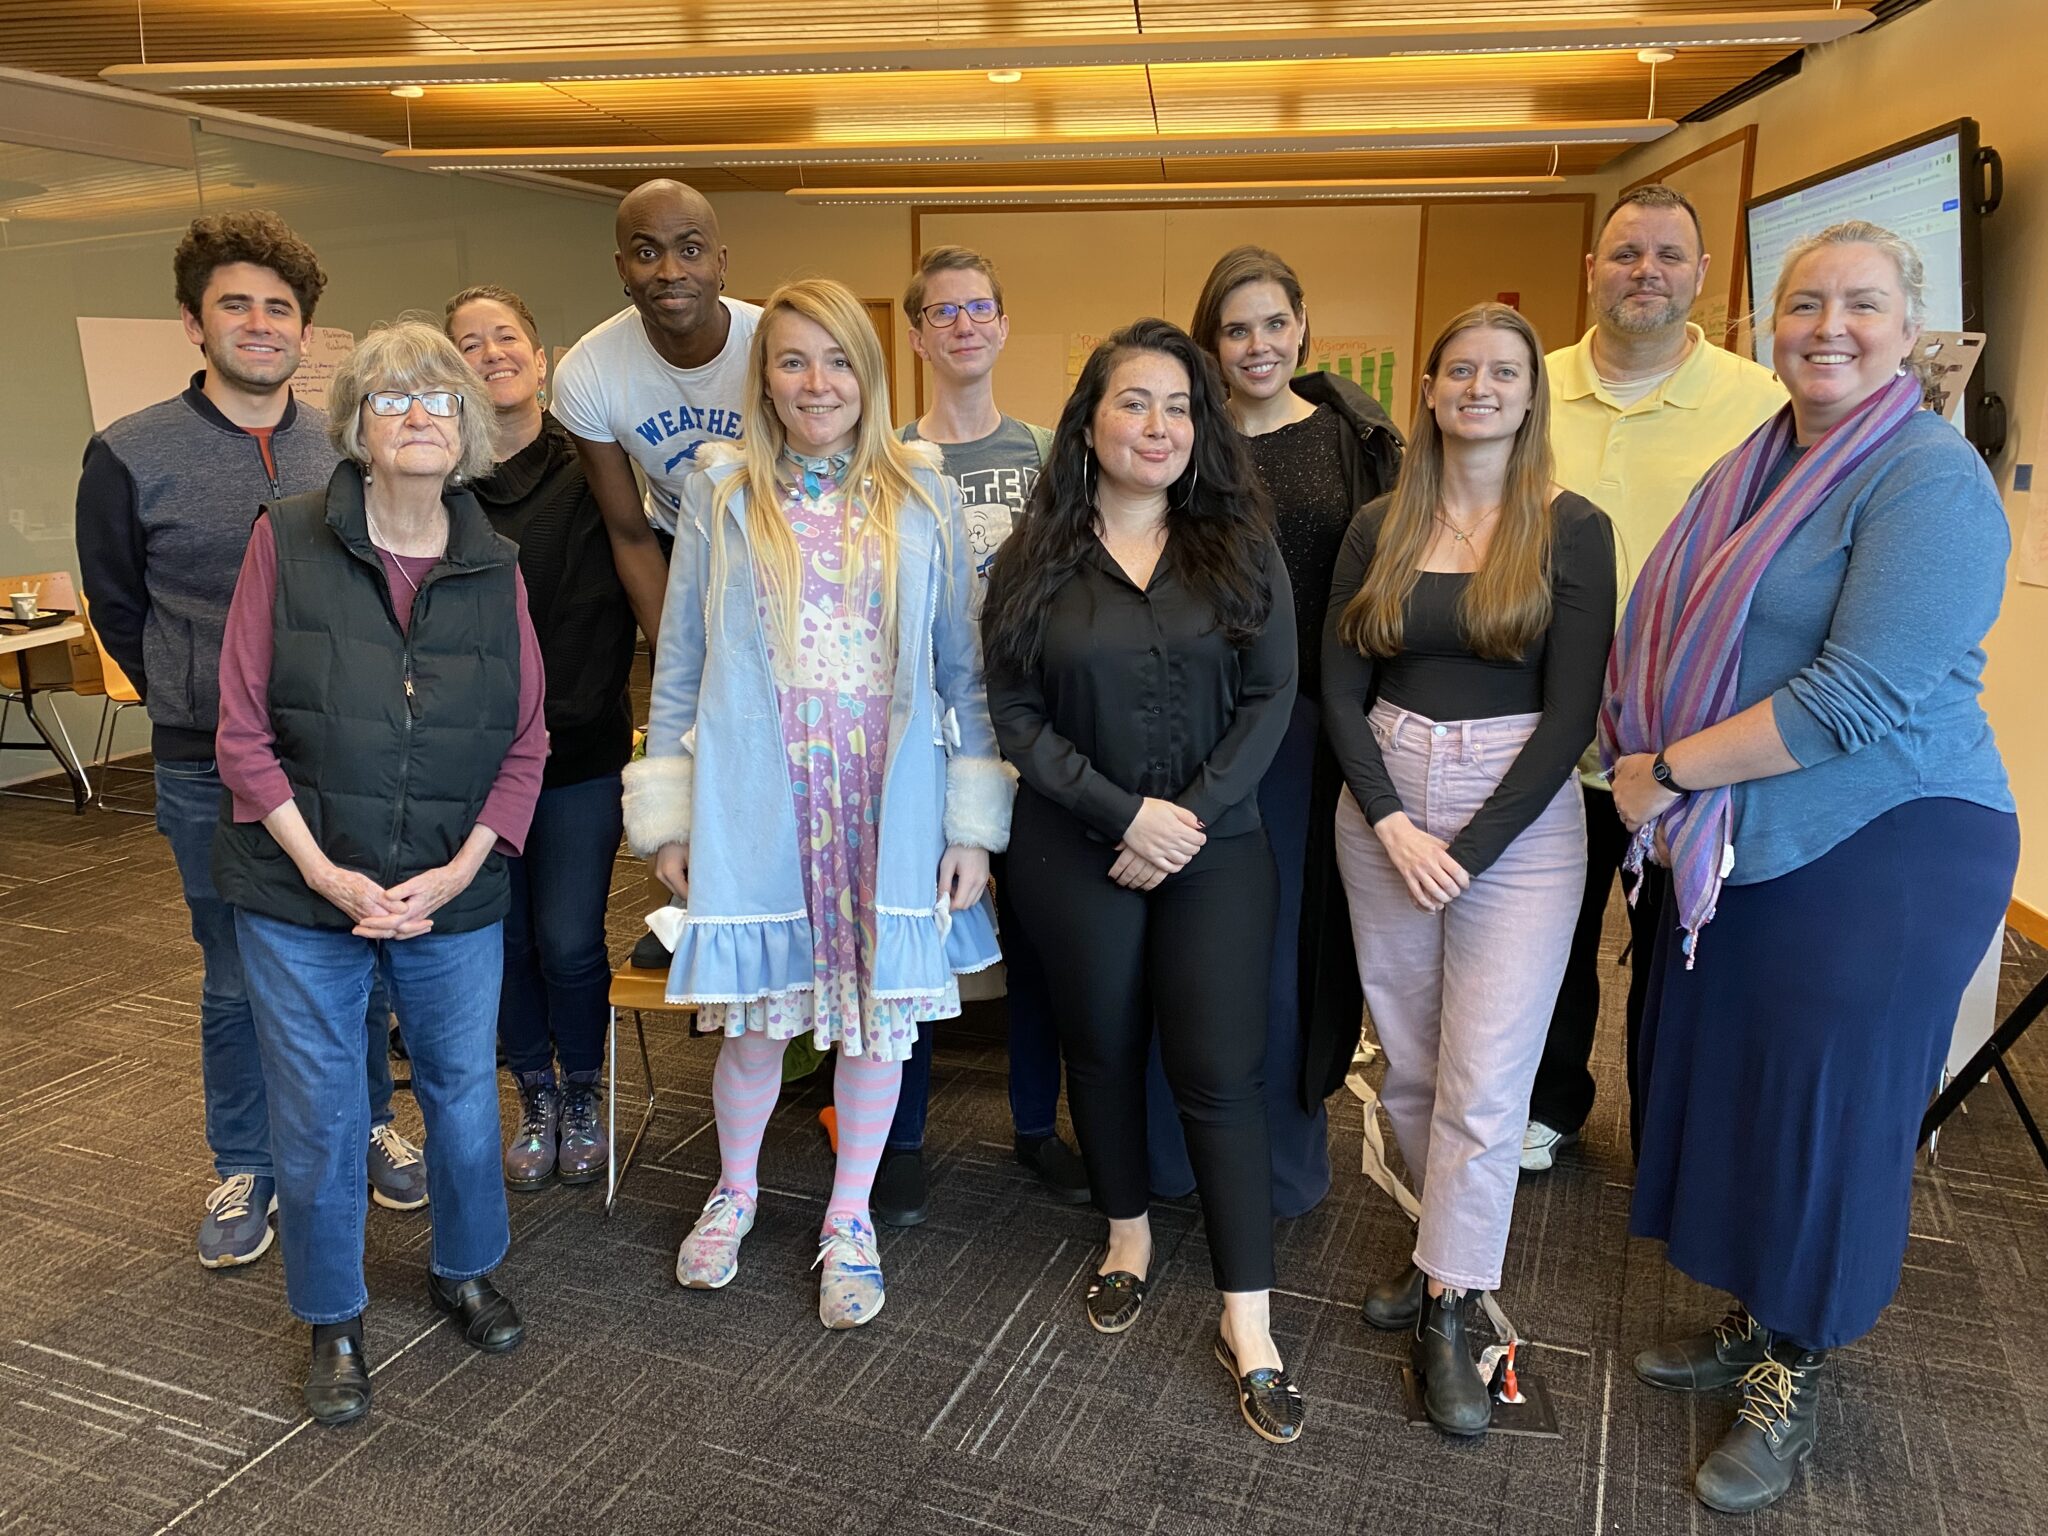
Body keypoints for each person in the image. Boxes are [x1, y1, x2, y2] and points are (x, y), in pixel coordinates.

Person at [1606, 221, 2016, 1515]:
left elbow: (1855, 697)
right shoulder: (1760, 462)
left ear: (1909, 328)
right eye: (1801, 305)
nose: (1827, 327)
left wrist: (1665, 770)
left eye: (1860, 305)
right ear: (1764, 325)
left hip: (1881, 841)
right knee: (1741, 1092)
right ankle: (1756, 1315)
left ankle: (1796, 1363)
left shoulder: (1925, 476)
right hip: (1749, 838)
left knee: (1828, 1116)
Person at [621, 278, 1009, 1330]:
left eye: (836, 360)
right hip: (761, 797)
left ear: (869, 375)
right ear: (765, 378)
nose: (815, 382)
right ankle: (734, 1191)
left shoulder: (920, 494)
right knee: (755, 1025)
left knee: (877, 1027)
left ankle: (849, 1217)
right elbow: (682, 659)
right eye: (791, 361)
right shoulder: (722, 491)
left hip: (889, 800)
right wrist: (668, 818)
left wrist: (973, 824)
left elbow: (960, 671)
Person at [74, 211, 425, 1274]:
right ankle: (247, 1161)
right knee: (232, 973)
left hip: (342, 756)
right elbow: (118, 603)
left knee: (355, 957)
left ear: (304, 332)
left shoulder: (347, 443)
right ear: (194, 322)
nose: (260, 324)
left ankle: (367, 1120)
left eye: (279, 308)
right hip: (203, 765)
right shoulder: (132, 453)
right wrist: (194, 697)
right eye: (236, 303)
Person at [213, 320, 548, 1425]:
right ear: (356, 427)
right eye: (392, 399)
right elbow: (243, 734)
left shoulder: (495, 562)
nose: (419, 416)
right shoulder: (290, 538)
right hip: (300, 893)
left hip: (452, 893)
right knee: (318, 1112)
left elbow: (526, 741)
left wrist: (457, 874)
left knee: (458, 1099)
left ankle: (463, 1266)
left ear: (467, 429)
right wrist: (323, 873)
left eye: (440, 399)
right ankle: (334, 1315)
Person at [984, 318, 1304, 1445]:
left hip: (1217, 848)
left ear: (1199, 426)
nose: (1156, 425)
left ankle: (1247, 1320)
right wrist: (1122, 814)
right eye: (1132, 402)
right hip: (1076, 847)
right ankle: (1126, 1235)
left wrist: (1184, 821)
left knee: (1220, 1074)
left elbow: (1273, 696)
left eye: (1177, 405)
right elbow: (1013, 712)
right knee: (1102, 1050)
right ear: (1089, 422)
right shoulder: (1036, 554)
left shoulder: (1236, 543)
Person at [1323, 303, 1615, 1437]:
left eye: (1503, 372)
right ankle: (1434, 1234)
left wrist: (1471, 848)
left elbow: (1571, 711)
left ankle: (1449, 1300)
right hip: (1384, 799)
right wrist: (1391, 821)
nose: (1480, 388)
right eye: (1460, 371)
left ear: (1528, 394)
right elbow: (1339, 689)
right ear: (1431, 389)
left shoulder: (1569, 527)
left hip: (1520, 817)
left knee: (1485, 1078)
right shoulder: (1378, 525)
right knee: (1406, 1063)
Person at [1523, 185, 1784, 1171]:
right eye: (1624, 252)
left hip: (1683, 742)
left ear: (1700, 276)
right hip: (1548, 726)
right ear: (1589, 268)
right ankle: (1546, 1106)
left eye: (1666, 255)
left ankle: (1665, 1135)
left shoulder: (1757, 404)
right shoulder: (1529, 388)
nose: (1645, 272)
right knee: (1545, 938)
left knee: (1678, 951)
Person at [1175, 244, 1402, 1218]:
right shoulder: (1187, 437)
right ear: (1209, 343)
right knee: (1205, 945)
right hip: (1200, 727)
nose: (1257, 344)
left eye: (1273, 323)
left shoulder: (1351, 440)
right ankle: (1187, 1146)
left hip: (1315, 734)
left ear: (1303, 327)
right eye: (1235, 328)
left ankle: (1285, 1159)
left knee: (1297, 952)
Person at [869, 244, 1086, 1227]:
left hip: (1032, 732)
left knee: (1040, 944)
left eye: (979, 308)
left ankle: (1035, 1129)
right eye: (942, 312)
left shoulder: (1047, 455)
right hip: (923, 740)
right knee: (911, 937)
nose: (963, 324)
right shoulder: (886, 465)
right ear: (915, 333)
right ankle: (899, 1137)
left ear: (1002, 324)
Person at [446, 285, 638, 1191]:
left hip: (582, 751)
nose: (492, 354)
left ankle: (585, 1089)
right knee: (504, 941)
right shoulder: (435, 476)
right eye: (470, 344)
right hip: (473, 761)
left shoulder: (595, 462)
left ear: (543, 353)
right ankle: (534, 1093)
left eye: (506, 336)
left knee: (567, 937)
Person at [550, 178, 763, 646]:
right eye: (647, 254)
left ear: (720, 261)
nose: (670, 271)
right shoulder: (589, 371)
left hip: (779, 544)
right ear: (622, 268)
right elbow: (629, 534)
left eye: (690, 250)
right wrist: (678, 663)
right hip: (673, 547)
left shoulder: (773, 346)